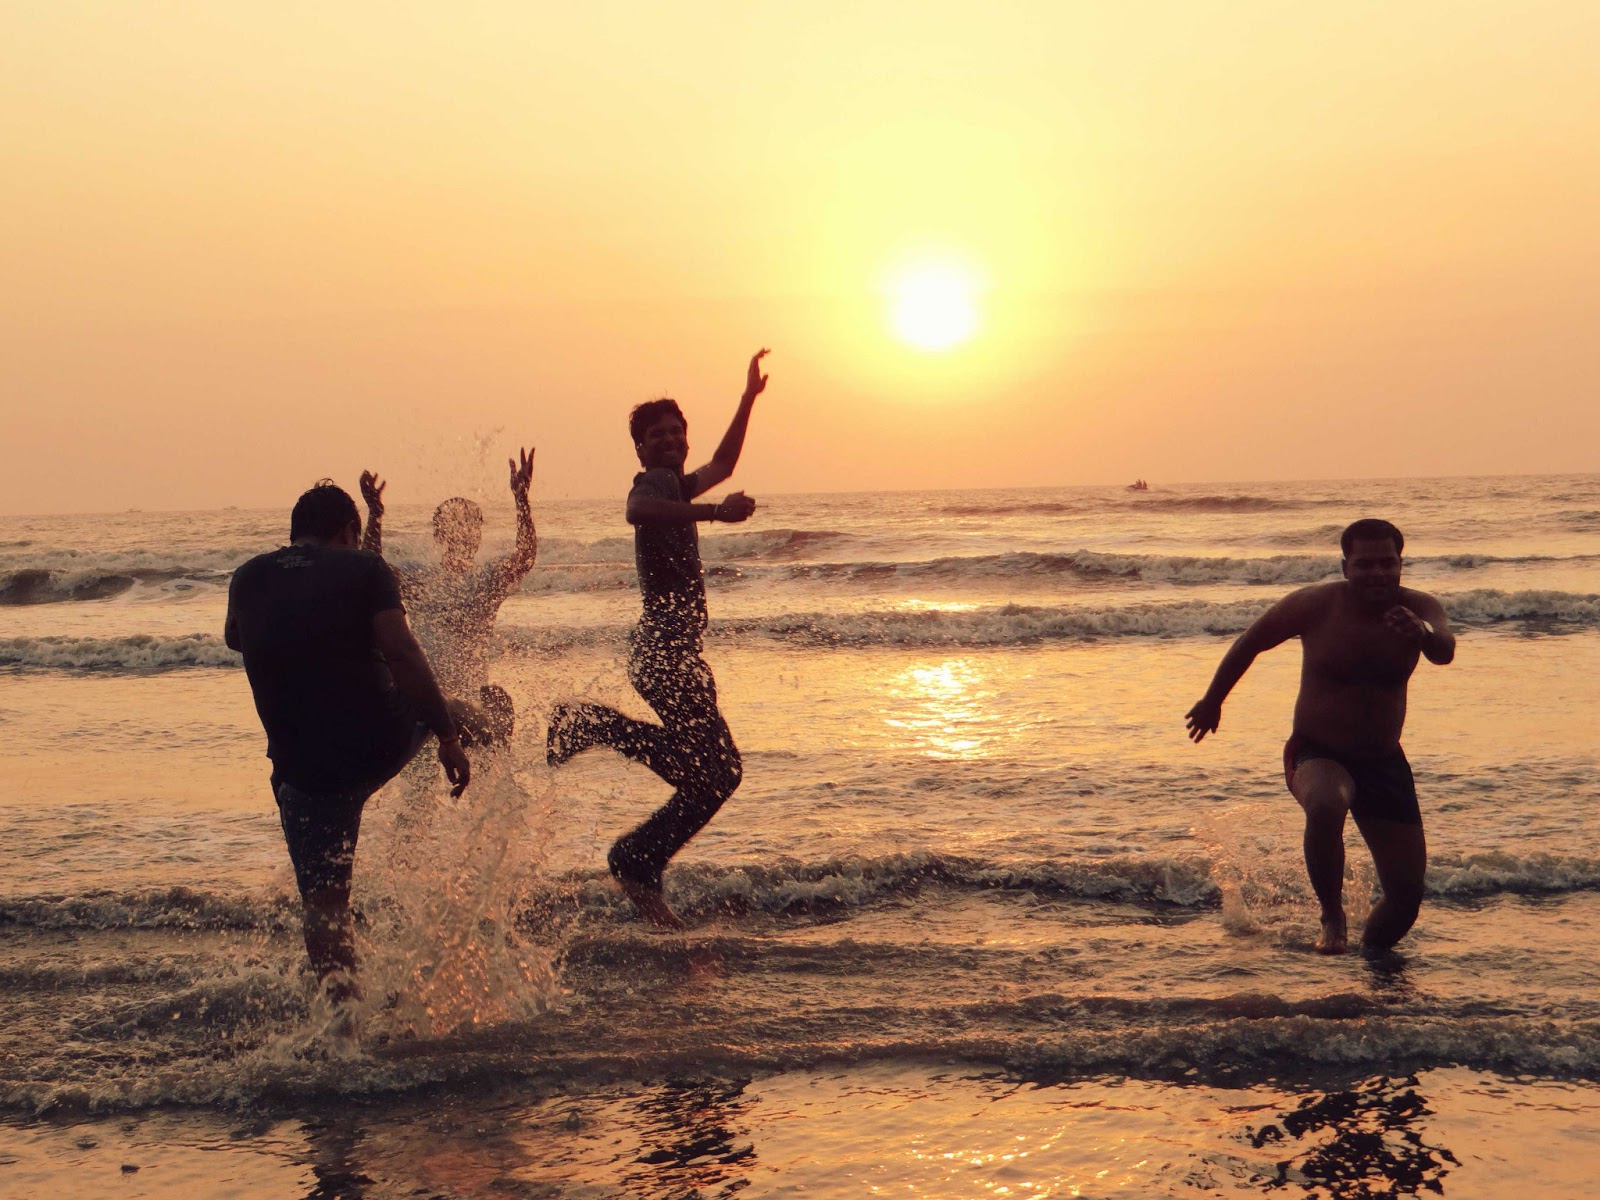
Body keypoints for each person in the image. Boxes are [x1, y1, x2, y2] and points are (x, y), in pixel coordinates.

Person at [546, 350, 770, 927]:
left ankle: (640, 856)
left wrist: (747, 401)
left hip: (672, 654)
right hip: (664, 653)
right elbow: (636, 510)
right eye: (657, 434)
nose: (670, 440)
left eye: (677, 431)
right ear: (640, 448)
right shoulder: (655, 484)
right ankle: (599, 736)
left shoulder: (675, 484)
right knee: (718, 773)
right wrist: (716, 513)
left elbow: (722, 461)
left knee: (715, 774)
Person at [225, 480, 471, 1003]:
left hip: (300, 770)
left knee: (325, 904)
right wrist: (446, 735)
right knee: (474, 708)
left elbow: (234, 637)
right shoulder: (365, 568)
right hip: (376, 738)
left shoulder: (247, 576)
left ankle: (345, 1023)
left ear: (295, 533)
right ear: (347, 531)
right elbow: (403, 655)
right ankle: (482, 732)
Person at [1184, 518, 1455, 955]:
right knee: (1327, 802)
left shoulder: (1419, 607)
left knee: (1406, 899)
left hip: (1384, 762)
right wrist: (1213, 700)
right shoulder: (1314, 605)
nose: (1377, 574)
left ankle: (1371, 961)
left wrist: (1422, 635)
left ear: (1401, 564)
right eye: (1365, 565)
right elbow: (1249, 642)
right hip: (1316, 751)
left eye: (1387, 563)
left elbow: (1444, 648)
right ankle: (1331, 913)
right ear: (1346, 566)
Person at [359, 446, 536, 746]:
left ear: (478, 535)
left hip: (469, 703)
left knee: (497, 704)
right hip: (422, 700)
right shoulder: (420, 578)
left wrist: (521, 500)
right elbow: (371, 570)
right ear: (438, 535)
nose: (462, 533)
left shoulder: (486, 580)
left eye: (468, 526)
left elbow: (525, 557)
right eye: (452, 526)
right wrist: (375, 516)